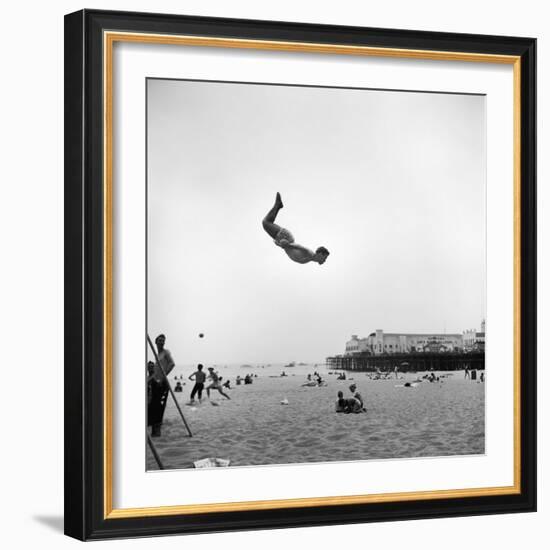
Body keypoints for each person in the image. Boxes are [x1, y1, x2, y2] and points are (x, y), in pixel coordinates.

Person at [262, 192, 330, 265]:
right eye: (325, 258)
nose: (324, 261)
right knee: (266, 223)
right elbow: (299, 247)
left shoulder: (308, 259)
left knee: (267, 223)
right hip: (286, 238)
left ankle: (278, 205)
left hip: (284, 239)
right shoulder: (309, 253)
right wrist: (287, 245)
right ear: (320, 254)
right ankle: (278, 205)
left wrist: (281, 245)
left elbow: (292, 251)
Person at [148, 334, 175, 437]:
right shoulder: (157, 355)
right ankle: (154, 430)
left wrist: (163, 377)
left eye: (163, 340)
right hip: (156, 382)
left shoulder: (165, 352)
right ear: (156, 342)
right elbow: (156, 371)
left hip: (162, 383)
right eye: (159, 340)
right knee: (153, 405)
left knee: (158, 407)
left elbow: (172, 364)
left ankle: (157, 431)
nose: (161, 342)